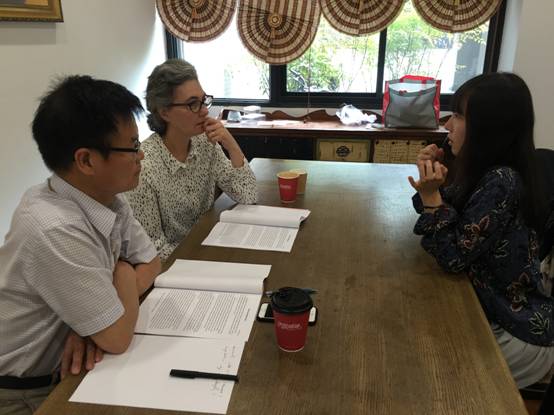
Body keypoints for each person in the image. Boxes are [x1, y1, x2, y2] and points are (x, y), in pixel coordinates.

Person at [0, 75, 161, 414]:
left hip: (73, 365)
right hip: (26, 390)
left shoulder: (106, 197)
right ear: (86, 161)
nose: (142, 154)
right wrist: (122, 271)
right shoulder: (54, 227)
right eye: (132, 146)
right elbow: (116, 337)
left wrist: (91, 322)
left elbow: (151, 262)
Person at [408, 72, 554, 389]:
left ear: (489, 127)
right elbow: (441, 218)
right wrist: (434, 183)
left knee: (427, 380)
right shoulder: (483, 170)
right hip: (486, 308)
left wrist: (431, 196)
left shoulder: (503, 181)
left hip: (513, 328)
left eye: (459, 116)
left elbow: (452, 257)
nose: (448, 125)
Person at [126, 59, 257, 261]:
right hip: (177, 267)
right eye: (192, 104)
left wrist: (230, 143)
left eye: (204, 100)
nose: (204, 110)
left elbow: (248, 195)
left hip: (209, 247)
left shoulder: (205, 143)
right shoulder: (144, 167)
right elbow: (155, 251)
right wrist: (205, 258)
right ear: (164, 112)